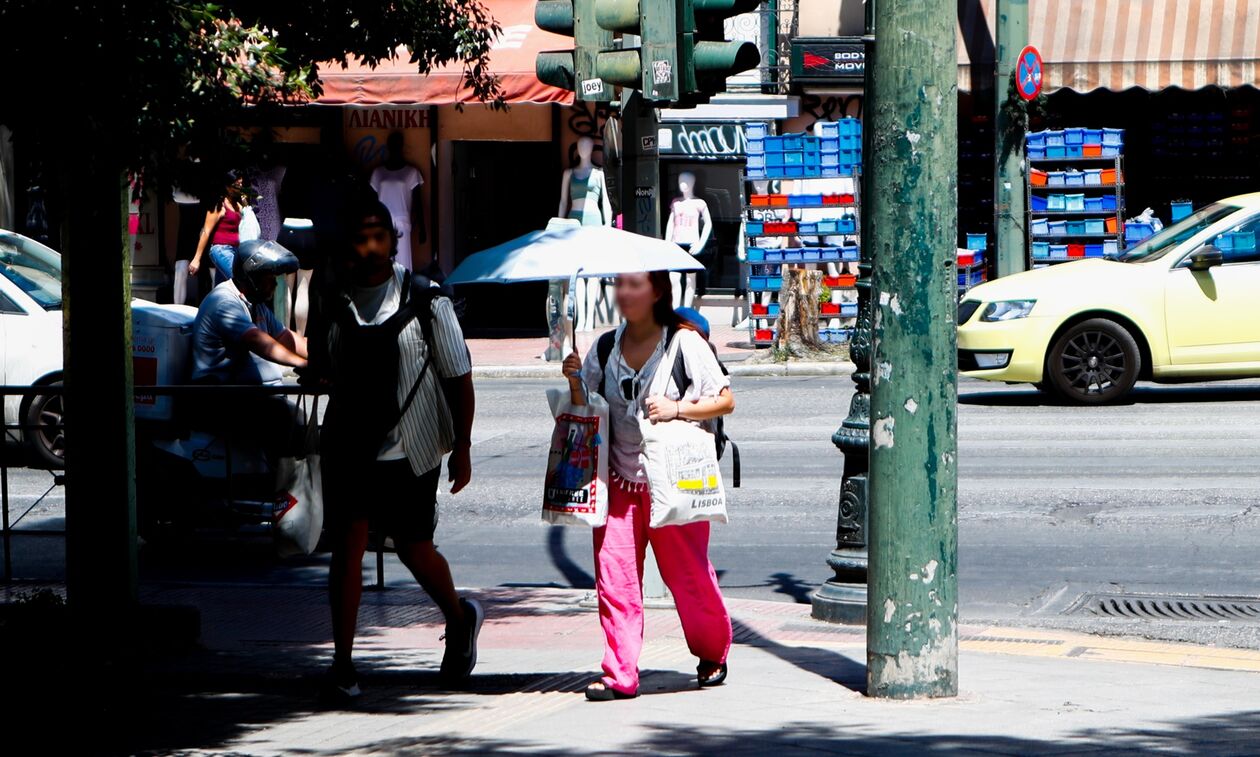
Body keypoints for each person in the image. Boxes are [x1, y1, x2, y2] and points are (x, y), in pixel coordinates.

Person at [310, 197, 482, 703]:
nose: (369, 247)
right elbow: (323, 360)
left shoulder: (428, 299)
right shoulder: (333, 297)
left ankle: (458, 616)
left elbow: (459, 376)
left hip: (412, 444)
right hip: (348, 445)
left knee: (413, 548)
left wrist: (464, 446)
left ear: (394, 240)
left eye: (378, 236)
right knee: (347, 551)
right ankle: (342, 663)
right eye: (360, 237)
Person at [562, 271, 736, 701]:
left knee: (689, 578)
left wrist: (677, 408)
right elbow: (588, 407)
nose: (623, 292)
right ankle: (620, 673)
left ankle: (713, 651)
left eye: (633, 284)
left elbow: (726, 399)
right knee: (614, 578)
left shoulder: (684, 342)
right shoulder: (606, 346)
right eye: (619, 284)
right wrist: (572, 380)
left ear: (656, 291)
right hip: (617, 484)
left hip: (673, 480)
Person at [191, 239, 307, 386]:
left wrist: (320, 358)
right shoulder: (224, 302)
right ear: (252, 277)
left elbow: (284, 336)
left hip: (258, 394)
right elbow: (254, 339)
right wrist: (302, 364)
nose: (275, 284)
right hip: (223, 397)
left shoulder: (256, 302)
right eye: (269, 278)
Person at [190, 174, 249, 284]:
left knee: (221, 288)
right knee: (239, 282)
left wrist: (245, 202)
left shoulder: (238, 205)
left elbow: (248, 221)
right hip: (222, 250)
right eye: (236, 185)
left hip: (236, 251)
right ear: (227, 187)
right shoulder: (219, 205)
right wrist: (196, 259)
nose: (239, 187)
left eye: (241, 184)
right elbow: (206, 231)